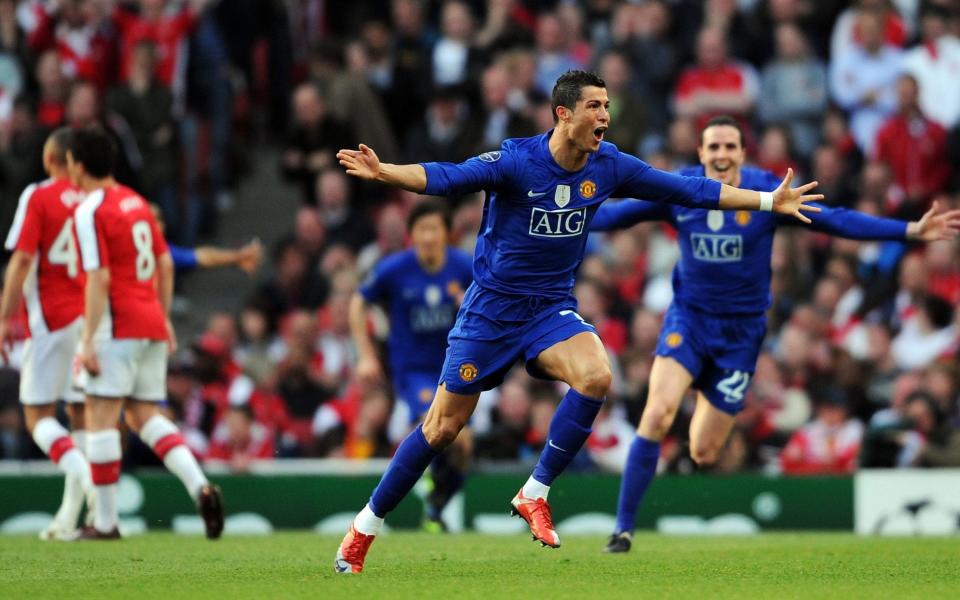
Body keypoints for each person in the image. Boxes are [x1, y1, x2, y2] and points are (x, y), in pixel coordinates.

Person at [332, 70, 821, 573]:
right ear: (563, 114)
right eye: (594, 106)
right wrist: (387, 171)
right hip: (492, 312)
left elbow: (689, 191)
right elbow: (446, 176)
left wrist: (767, 201)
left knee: (596, 375)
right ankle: (364, 527)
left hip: (549, 309)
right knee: (442, 428)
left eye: (607, 106)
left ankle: (535, 491)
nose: (605, 116)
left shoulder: (609, 165)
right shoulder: (516, 161)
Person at [590, 115, 960, 553]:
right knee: (655, 414)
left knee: (705, 451)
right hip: (688, 321)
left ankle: (700, 399)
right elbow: (614, 217)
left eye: (730, 147)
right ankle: (623, 530)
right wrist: (553, 211)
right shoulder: (681, 189)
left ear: (743, 154)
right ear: (701, 153)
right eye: (714, 147)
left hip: (741, 336)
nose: (722, 155)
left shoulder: (769, 192)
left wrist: (909, 230)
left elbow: (835, 220)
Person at [69, 127, 223, 539]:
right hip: (151, 320)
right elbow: (165, 264)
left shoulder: (89, 210)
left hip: (117, 324)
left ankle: (104, 523)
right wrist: (164, 315)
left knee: (100, 416)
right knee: (143, 416)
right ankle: (199, 485)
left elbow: (98, 276)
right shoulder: (136, 203)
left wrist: (87, 339)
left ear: (77, 166)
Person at [350, 199, 473, 531]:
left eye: (435, 228)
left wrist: (472, 307)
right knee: (437, 428)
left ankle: (437, 505)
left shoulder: (464, 266)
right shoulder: (395, 269)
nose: (429, 236)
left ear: (446, 233)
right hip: (414, 372)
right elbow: (358, 302)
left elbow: (495, 298)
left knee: (463, 445)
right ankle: (411, 496)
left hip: (457, 371)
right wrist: (365, 354)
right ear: (412, 235)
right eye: (422, 229)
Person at [0, 128, 92, 541]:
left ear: (49, 157)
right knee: (80, 417)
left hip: (51, 319)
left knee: (36, 415)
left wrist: (4, 318)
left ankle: (87, 476)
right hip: (90, 320)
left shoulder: (38, 196)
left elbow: (21, 259)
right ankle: (69, 517)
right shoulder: (93, 199)